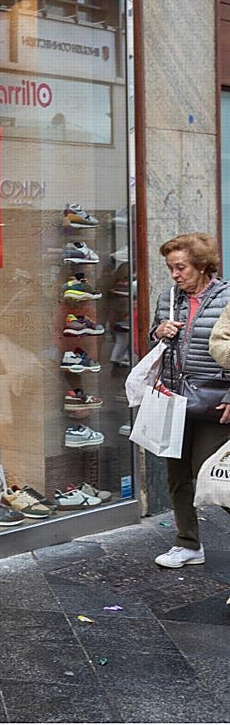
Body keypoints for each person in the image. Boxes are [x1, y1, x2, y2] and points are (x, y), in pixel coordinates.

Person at [148, 233, 230, 569]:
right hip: (173, 399)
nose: (175, 275)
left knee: (217, 476)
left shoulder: (228, 298)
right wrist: (159, 331)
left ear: (201, 265)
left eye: (180, 267)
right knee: (177, 475)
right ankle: (188, 544)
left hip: (215, 401)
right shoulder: (169, 298)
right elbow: (152, 337)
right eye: (170, 268)